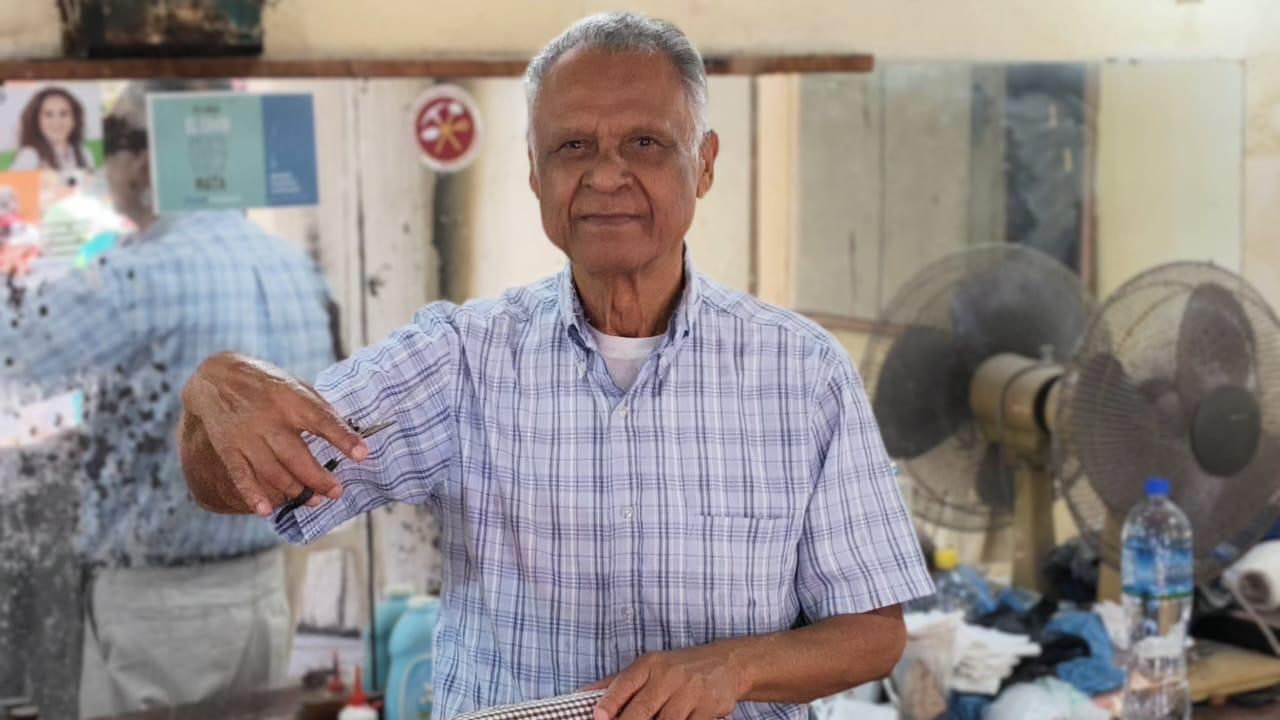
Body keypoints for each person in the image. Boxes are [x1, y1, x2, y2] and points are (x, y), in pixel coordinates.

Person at [179, 12, 933, 720]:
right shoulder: (459, 361)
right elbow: (241, 483)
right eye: (573, 147)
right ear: (536, 174)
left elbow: (874, 631)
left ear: (702, 164)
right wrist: (211, 400)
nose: (606, 175)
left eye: (646, 143)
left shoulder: (801, 375)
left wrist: (731, 667)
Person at [0, 81, 340, 717]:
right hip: (266, 587)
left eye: (120, 142)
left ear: (152, 158)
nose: (110, 165)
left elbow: (14, 351)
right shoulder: (292, 267)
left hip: (160, 610)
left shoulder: (140, 276)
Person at [9, 86, 97, 173]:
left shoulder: (85, 153)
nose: (57, 122)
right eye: (48, 114)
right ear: (36, 120)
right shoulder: (30, 156)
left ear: (75, 118)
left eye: (64, 114)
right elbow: (9, 186)